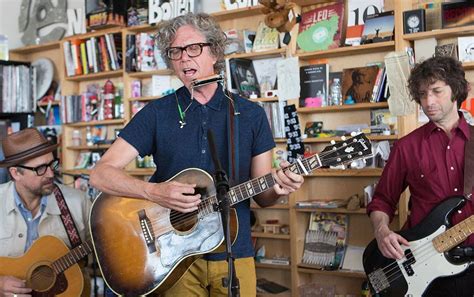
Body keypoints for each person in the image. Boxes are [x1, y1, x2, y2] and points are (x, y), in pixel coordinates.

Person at [90, 12, 304, 297]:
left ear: (215, 51)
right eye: (175, 52)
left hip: (234, 254)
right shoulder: (157, 113)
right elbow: (100, 174)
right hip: (174, 258)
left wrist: (281, 186)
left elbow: (264, 197)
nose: (184, 58)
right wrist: (154, 192)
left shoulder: (251, 115)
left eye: (193, 48)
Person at [367, 56, 474, 296]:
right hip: (422, 266)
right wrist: (382, 231)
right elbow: (382, 200)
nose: (428, 101)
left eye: (436, 91)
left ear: (456, 90)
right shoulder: (407, 147)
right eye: (423, 94)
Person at [0, 128, 91, 297]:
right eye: (40, 168)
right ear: (15, 173)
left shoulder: (78, 203)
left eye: (52, 164)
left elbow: (105, 257)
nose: (50, 173)